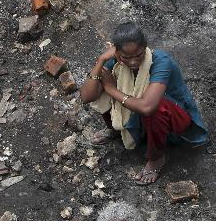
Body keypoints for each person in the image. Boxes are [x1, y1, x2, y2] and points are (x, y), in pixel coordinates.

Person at [79, 21, 207, 185]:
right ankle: (116, 129)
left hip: (174, 120)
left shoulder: (160, 62)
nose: (133, 61)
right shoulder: (116, 62)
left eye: (138, 55)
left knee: (154, 107)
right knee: (99, 82)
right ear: (116, 52)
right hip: (141, 117)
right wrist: (101, 61)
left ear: (145, 47)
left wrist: (111, 89)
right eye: (126, 57)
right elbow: (86, 96)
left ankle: (156, 158)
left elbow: (147, 107)